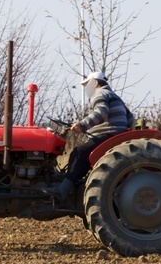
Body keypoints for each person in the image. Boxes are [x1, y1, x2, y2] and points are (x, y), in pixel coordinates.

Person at [43, 71, 131, 201]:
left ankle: (63, 191)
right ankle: (72, 183)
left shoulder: (100, 93)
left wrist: (82, 125)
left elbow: (101, 113)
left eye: (87, 85)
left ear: (95, 83)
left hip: (108, 134)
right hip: (116, 134)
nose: (86, 89)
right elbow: (130, 118)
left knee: (79, 152)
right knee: (80, 153)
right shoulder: (115, 97)